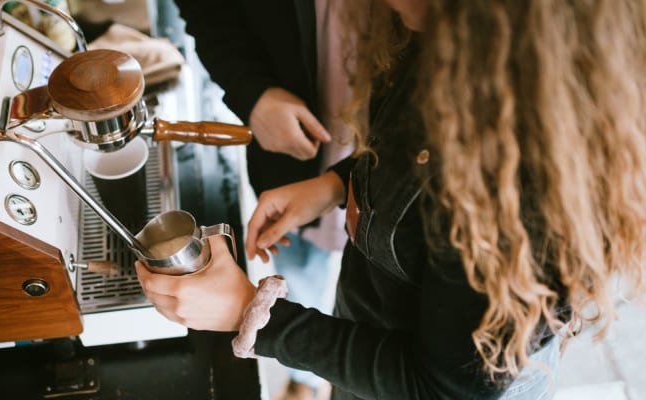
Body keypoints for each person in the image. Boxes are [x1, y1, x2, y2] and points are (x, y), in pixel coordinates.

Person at [137, 1, 646, 399]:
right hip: (369, 353)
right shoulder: (445, 44)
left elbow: (442, 387)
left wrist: (250, 311)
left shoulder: (527, 191)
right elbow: (411, 155)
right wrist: (337, 184)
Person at [172, 1, 358, 398]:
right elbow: (207, 12)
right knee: (303, 270)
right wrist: (252, 93)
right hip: (300, 167)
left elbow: (423, 374)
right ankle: (306, 379)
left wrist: (251, 314)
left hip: (385, 177)